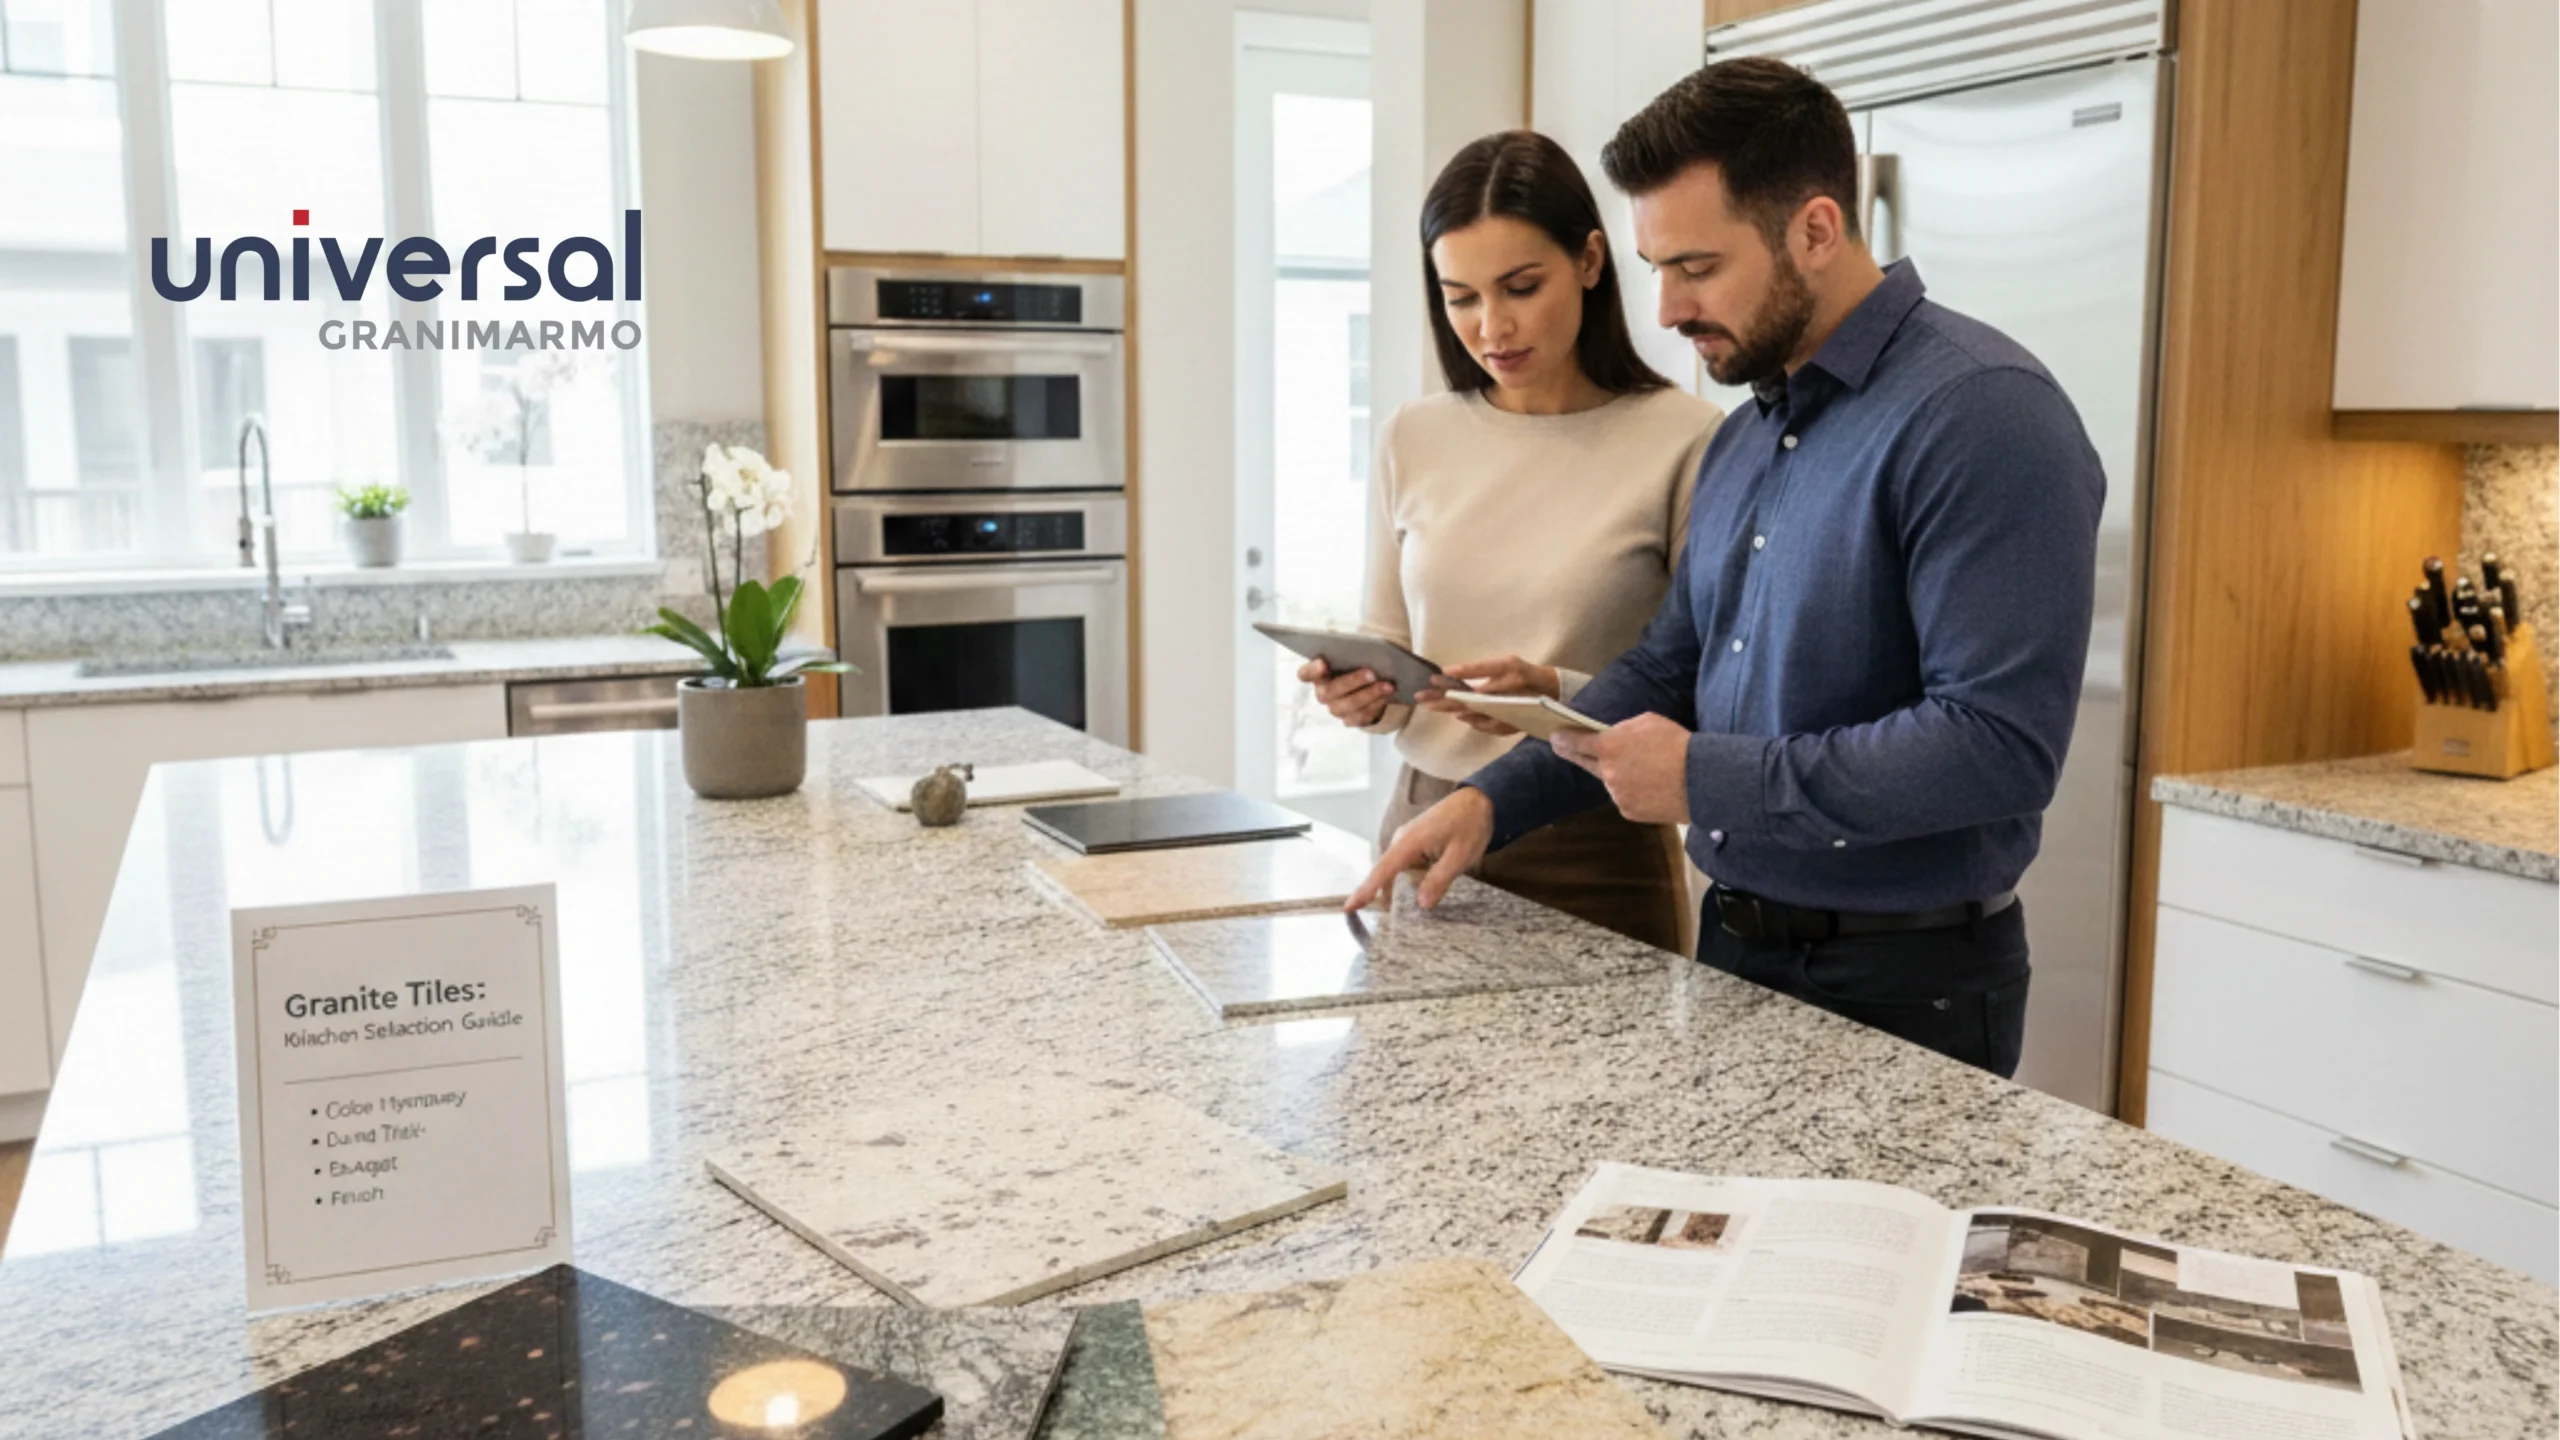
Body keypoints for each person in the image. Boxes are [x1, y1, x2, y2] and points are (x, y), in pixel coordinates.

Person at [1346, 59, 2106, 1078]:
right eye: (1655, 267)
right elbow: (1669, 665)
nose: (1665, 308)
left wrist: (1706, 777)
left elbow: (1996, 747)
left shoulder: (1983, 413)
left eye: (1696, 267)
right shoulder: (1751, 434)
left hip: (1906, 980)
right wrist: (1493, 802)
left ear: (1817, 229)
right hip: (1737, 948)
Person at [1300, 130, 1721, 952]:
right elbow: (1390, 643)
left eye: (1521, 288)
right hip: (1423, 824)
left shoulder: (1688, 440)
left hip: (1597, 840)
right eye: (1460, 297)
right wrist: (1364, 695)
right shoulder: (1412, 436)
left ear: (1590, 261)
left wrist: (1554, 692)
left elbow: (1709, 685)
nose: (1492, 327)